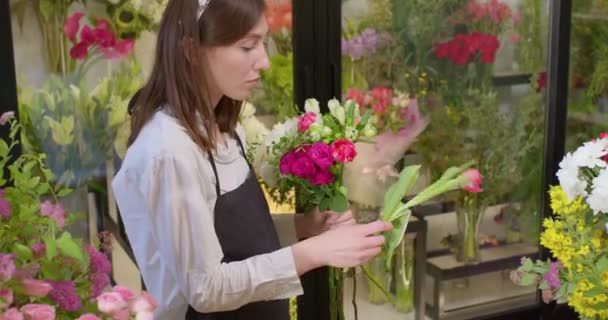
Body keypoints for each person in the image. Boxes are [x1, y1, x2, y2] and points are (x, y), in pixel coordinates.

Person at [111, 0, 393, 319]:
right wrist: (313, 253)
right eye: (248, 46)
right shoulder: (170, 149)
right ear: (190, 50)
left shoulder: (225, 126)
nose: (264, 62)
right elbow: (205, 288)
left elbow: (227, 233)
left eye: (264, 42)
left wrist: (302, 227)